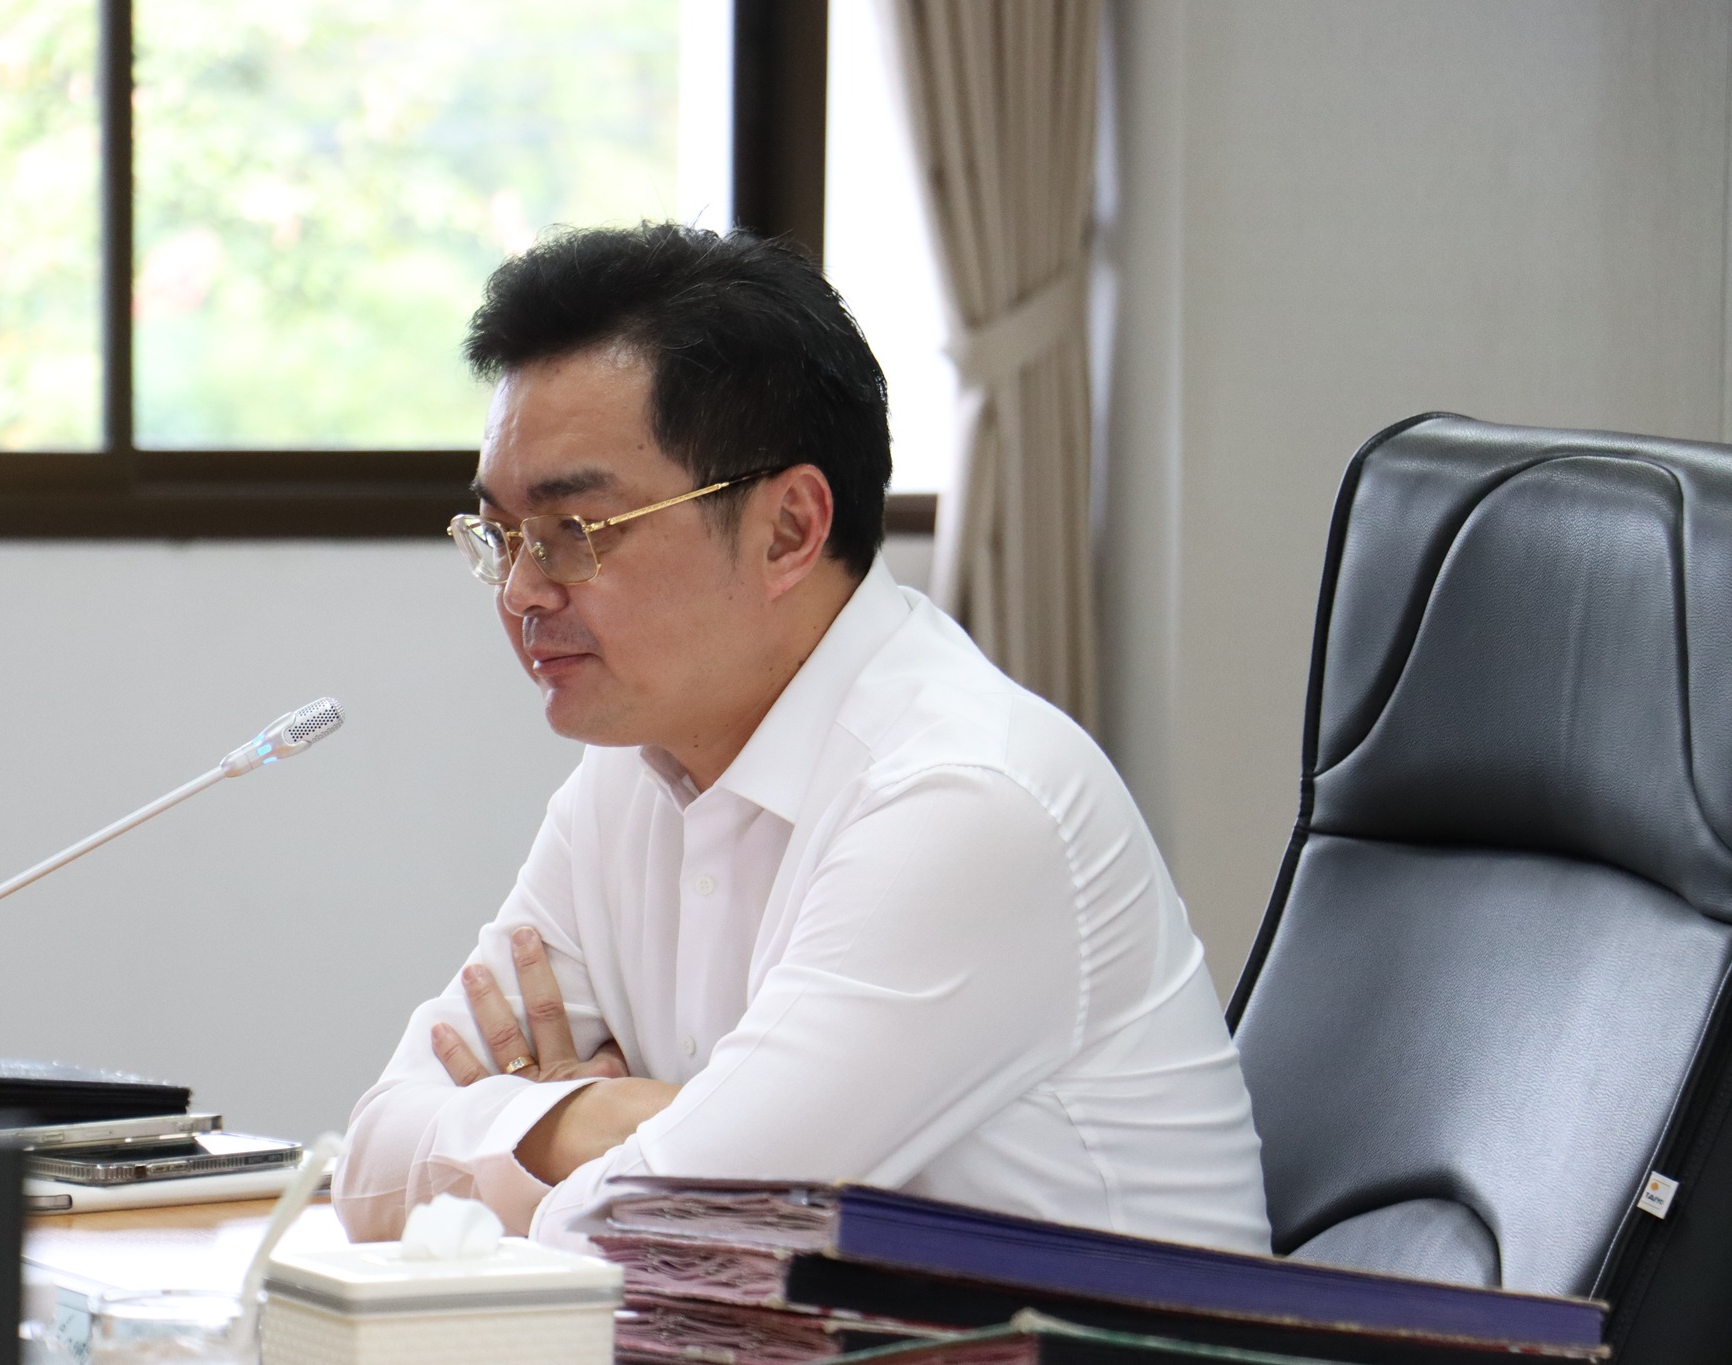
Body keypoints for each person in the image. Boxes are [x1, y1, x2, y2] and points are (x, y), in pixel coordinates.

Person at [332, 222, 1269, 1255]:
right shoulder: (626, 777)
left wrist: (541, 1144)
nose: (520, 590)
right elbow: (367, 1165)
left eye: (575, 532)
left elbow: (663, 1235)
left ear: (788, 529)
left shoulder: (964, 800)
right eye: (500, 536)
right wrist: (598, 1118)